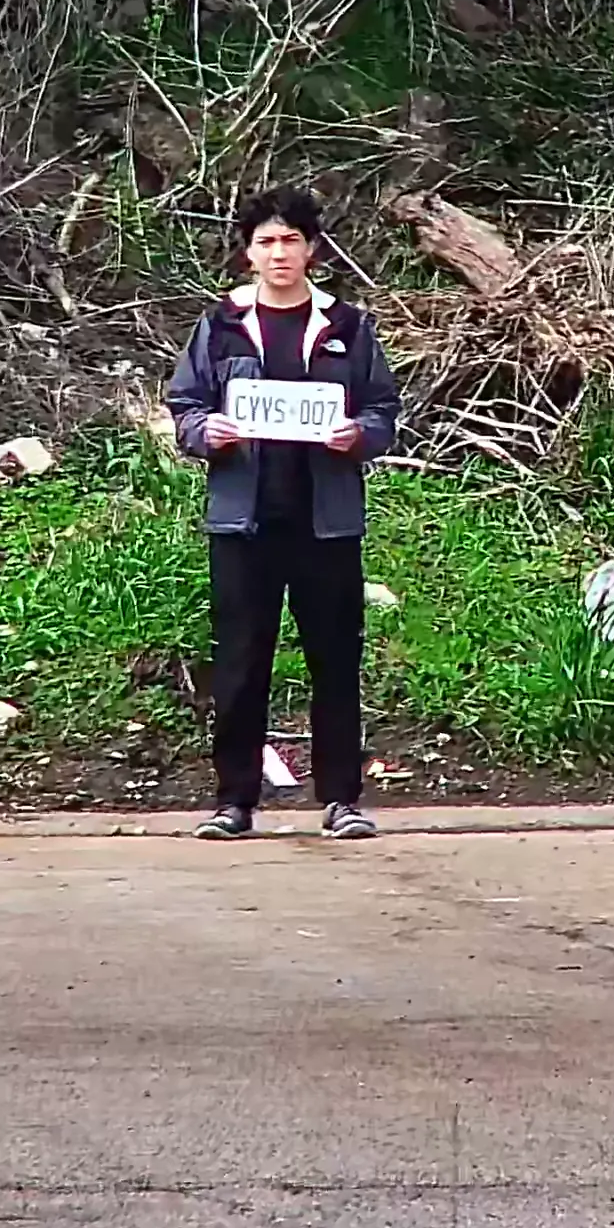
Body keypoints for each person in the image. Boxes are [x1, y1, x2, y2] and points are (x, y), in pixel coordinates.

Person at [164, 186, 403, 839]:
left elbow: (382, 410)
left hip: (326, 522)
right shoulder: (219, 325)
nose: (279, 253)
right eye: (266, 241)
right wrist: (201, 433)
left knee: (334, 659)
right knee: (240, 661)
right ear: (248, 253)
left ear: (313, 250)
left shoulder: (348, 326)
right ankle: (234, 802)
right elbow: (184, 402)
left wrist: (360, 437)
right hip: (244, 522)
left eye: (291, 241)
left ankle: (341, 800)